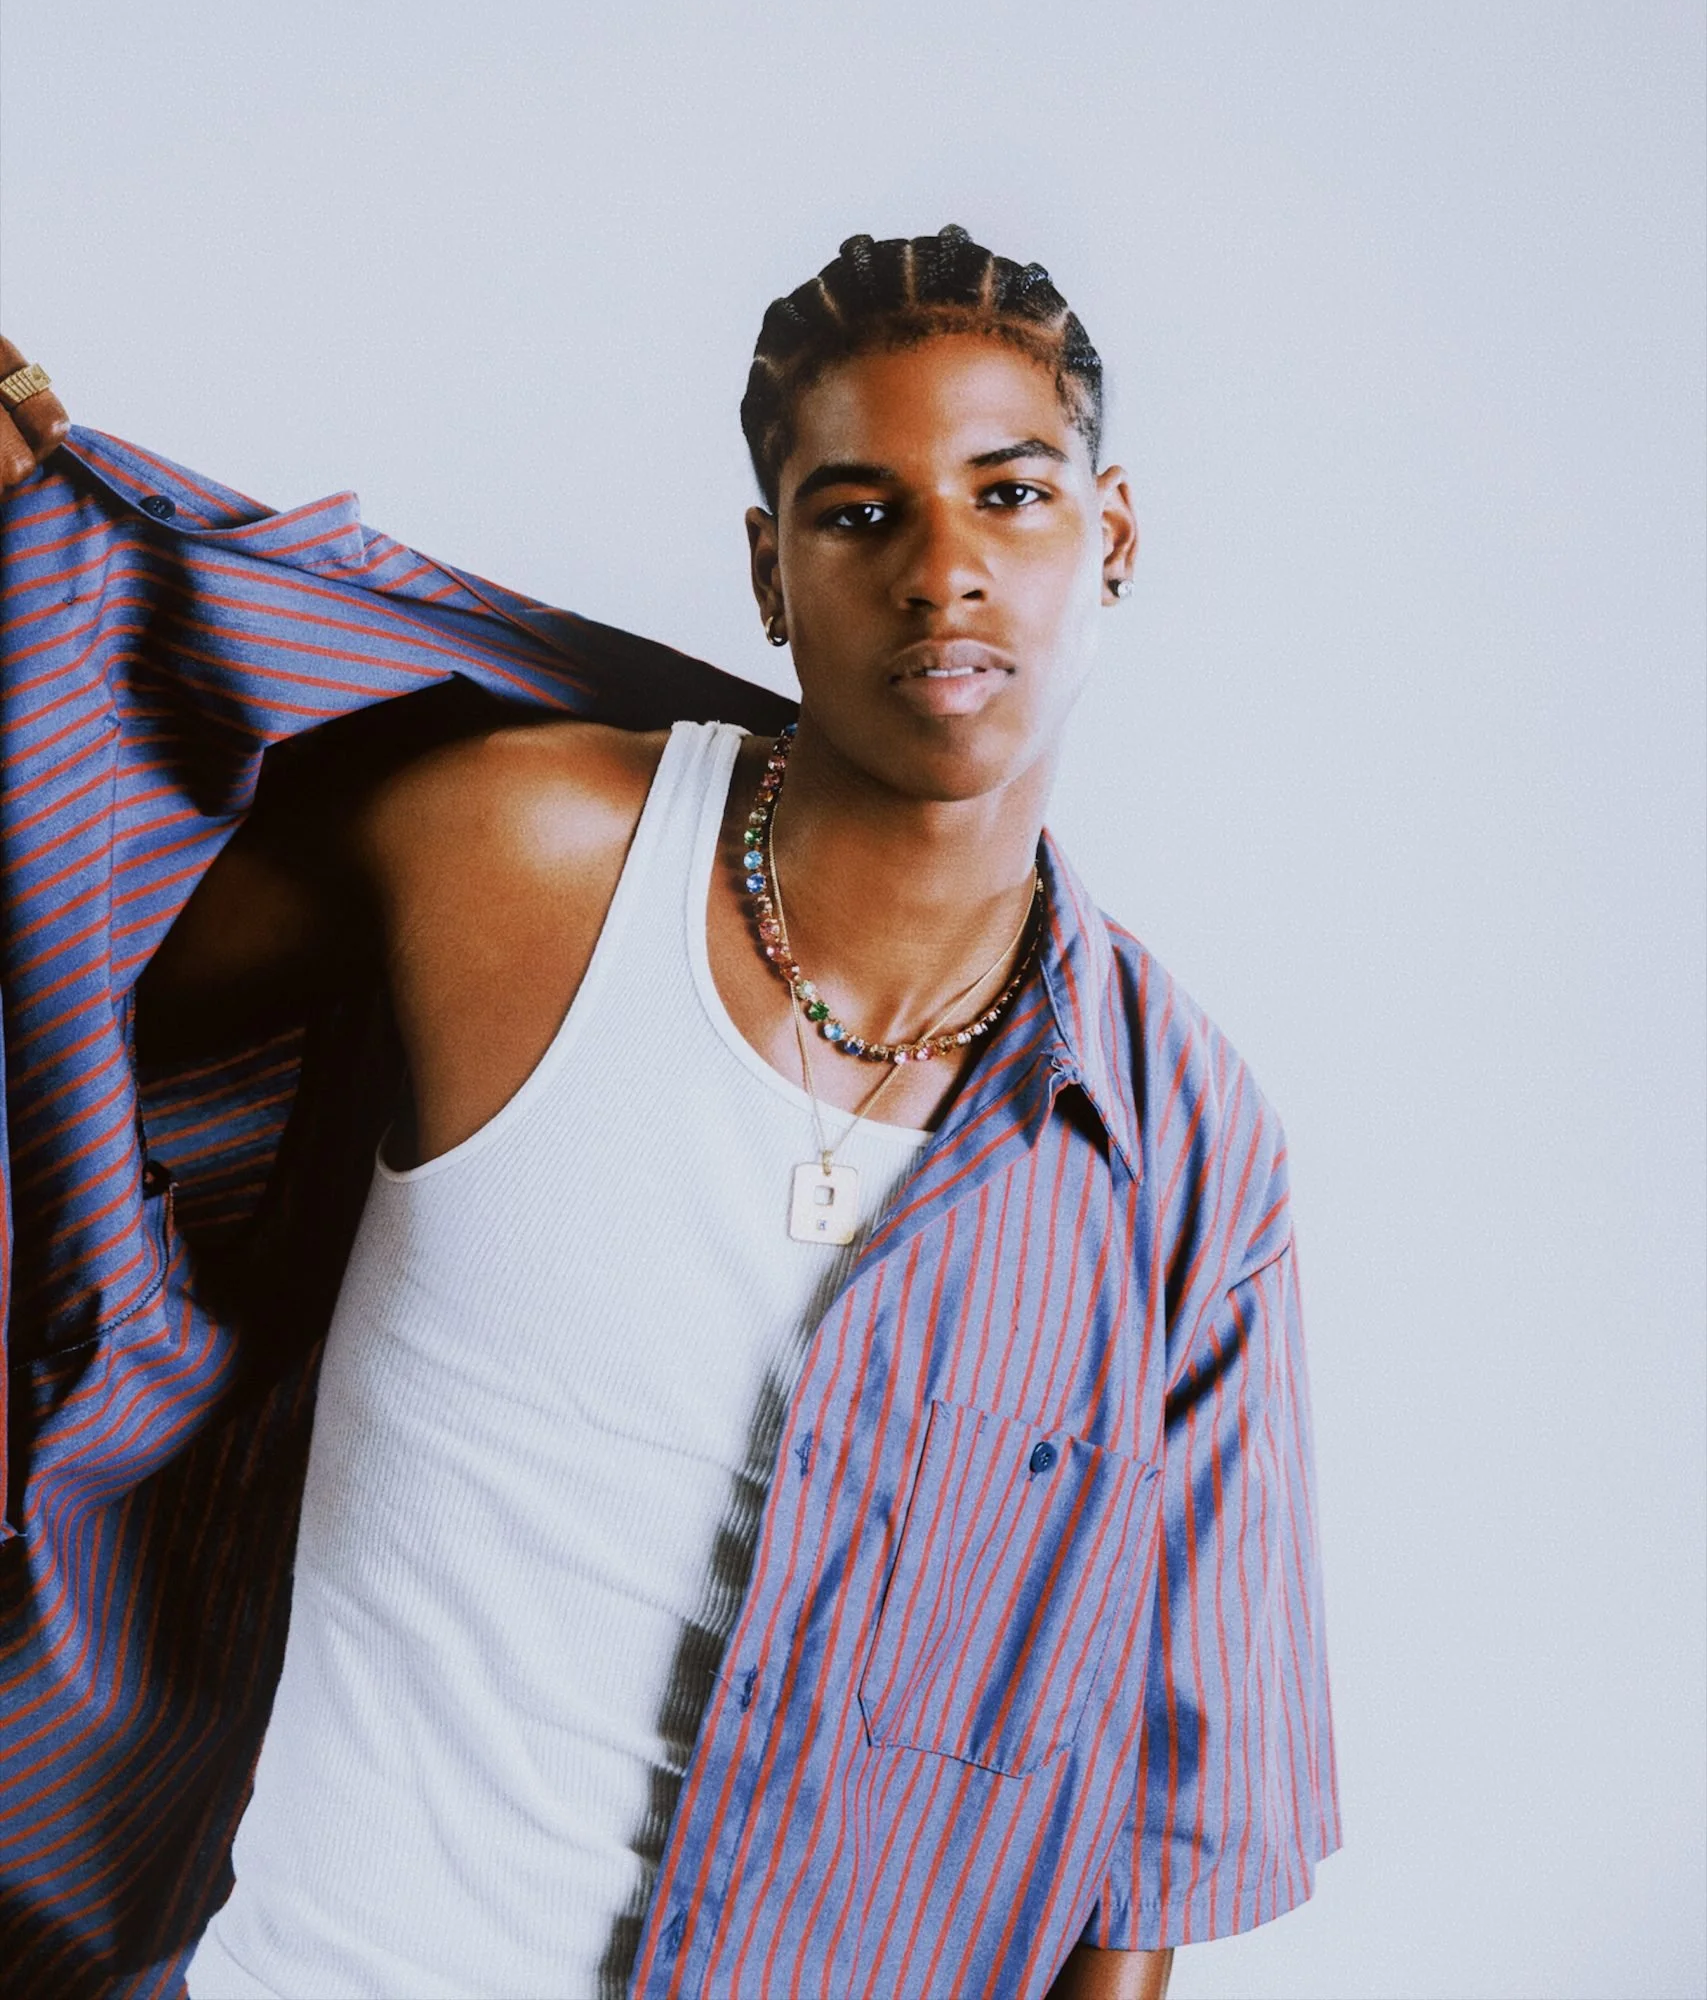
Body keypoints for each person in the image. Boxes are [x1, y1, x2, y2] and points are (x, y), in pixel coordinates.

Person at [0, 231, 1337, 2000]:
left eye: (1008, 496)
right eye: (858, 513)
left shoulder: (1181, 1152)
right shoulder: (516, 860)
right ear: (770, 573)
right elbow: (83, 965)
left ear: (1112, 538)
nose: (943, 570)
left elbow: (1159, 1842)